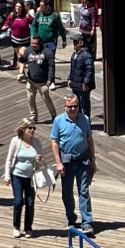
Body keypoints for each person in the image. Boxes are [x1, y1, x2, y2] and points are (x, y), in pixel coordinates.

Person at [50, 94, 96, 235]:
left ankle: (86, 222)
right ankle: (71, 218)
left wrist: (93, 160)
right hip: (66, 161)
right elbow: (54, 142)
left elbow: (89, 140)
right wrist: (58, 162)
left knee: (84, 191)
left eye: (75, 106)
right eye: (70, 106)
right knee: (67, 192)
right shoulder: (58, 120)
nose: (73, 109)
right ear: (65, 107)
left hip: (83, 160)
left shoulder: (85, 119)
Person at [4, 120, 45, 238]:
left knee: (30, 203)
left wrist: (39, 159)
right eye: (29, 128)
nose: (32, 130)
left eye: (33, 128)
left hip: (31, 177)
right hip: (17, 175)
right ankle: (16, 227)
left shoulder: (37, 143)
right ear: (23, 129)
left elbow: (41, 163)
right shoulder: (15, 141)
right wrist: (7, 175)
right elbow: (9, 159)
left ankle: (28, 228)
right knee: (18, 201)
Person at [20, 35, 57, 123]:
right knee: (30, 99)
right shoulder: (28, 50)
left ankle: (54, 115)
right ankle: (33, 117)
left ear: (40, 43)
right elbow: (22, 60)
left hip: (43, 82)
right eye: (32, 43)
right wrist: (20, 56)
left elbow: (51, 67)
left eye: (35, 43)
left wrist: (49, 80)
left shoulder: (47, 52)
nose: (33, 45)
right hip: (30, 80)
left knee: (46, 99)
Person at [33, 0, 68, 87]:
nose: (40, 7)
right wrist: (33, 35)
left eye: (42, 6)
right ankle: (43, 78)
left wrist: (64, 40)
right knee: (41, 61)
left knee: (50, 62)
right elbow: (33, 25)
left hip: (51, 42)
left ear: (47, 6)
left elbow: (61, 28)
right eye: (39, 5)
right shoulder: (38, 14)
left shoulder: (54, 15)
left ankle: (51, 81)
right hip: (40, 42)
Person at [67, 34, 95, 119]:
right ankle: (78, 121)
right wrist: (69, 78)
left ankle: (87, 122)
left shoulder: (86, 55)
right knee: (76, 105)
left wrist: (86, 82)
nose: (74, 44)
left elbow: (89, 70)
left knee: (84, 106)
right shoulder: (74, 54)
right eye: (73, 42)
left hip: (83, 86)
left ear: (81, 43)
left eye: (76, 42)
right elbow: (72, 68)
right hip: (75, 84)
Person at [3, 0, 34, 66]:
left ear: (22, 8)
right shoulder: (12, 15)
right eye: (16, 6)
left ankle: (23, 69)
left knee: (22, 54)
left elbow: (34, 22)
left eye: (19, 7)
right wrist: (5, 25)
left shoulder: (26, 16)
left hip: (25, 39)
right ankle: (22, 71)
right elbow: (7, 21)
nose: (18, 8)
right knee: (19, 57)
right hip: (15, 39)